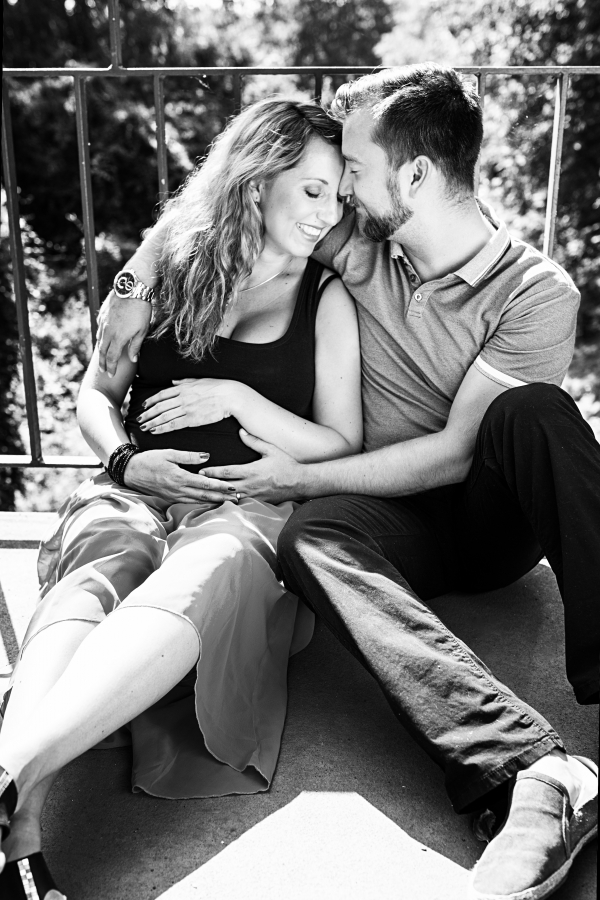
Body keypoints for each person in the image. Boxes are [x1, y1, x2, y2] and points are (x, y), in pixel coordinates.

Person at [90, 64, 599, 900]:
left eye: (356, 169)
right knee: (311, 533)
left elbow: (454, 455)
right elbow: (228, 196)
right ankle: (530, 769)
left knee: (535, 411)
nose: (344, 194)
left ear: (416, 175)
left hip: (487, 518)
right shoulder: (363, 244)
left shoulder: (536, 294)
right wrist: (130, 283)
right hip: (387, 523)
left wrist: (298, 471)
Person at [0, 98, 362, 899]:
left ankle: (10, 773)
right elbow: (97, 395)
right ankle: (17, 817)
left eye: (338, 196)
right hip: (133, 488)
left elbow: (343, 443)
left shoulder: (325, 297)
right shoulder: (163, 268)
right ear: (255, 180)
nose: (326, 213)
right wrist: (128, 463)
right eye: (311, 190)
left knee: (212, 565)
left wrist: (236, 396)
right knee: (106, 554)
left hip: (244, 505)